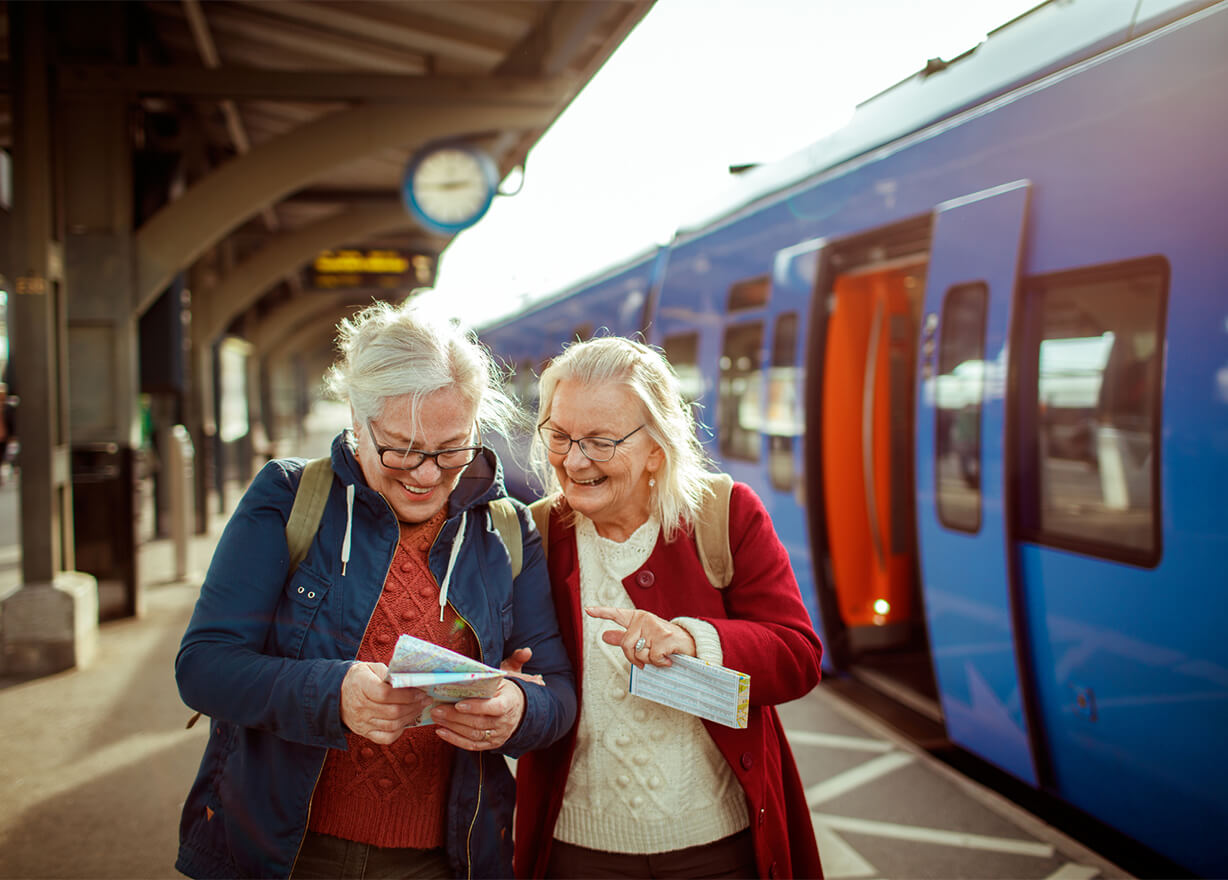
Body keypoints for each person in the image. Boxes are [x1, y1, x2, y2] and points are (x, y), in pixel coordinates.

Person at [174, 301, 576, 880]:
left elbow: (558, 692)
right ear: (357, 423)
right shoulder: (289, 499)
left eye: (451, 448)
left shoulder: (506, 531)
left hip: (444, 861)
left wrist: (518, 709)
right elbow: (204, 666)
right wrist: (333, 692)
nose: (427, 474)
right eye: (401, 448)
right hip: (284, 853)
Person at [513, 336, 825, 879]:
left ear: (656, 447)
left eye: (600, 442)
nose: (574, 459)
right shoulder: (535, 534)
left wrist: (694, 642)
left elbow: (798, 656)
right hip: (576, 851)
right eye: (560, 436)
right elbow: (512, 679)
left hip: (716, 848)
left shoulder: (723, 516)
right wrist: (507, 688)